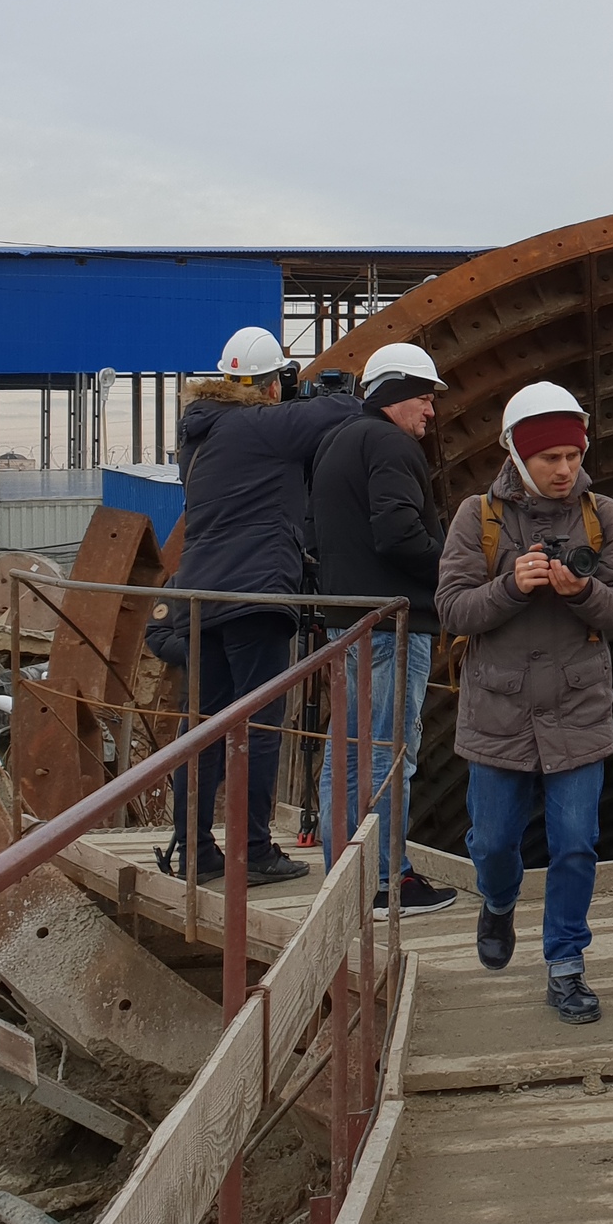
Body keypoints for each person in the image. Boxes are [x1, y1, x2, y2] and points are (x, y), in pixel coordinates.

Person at [434, 381, 613, 1024]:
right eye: (550, 457)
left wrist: (583, 592)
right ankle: (498, 903)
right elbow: (452, 609)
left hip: (577, 707)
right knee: (495, 842)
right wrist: (510, 586)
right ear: (519, 455)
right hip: (498, 710)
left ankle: (566, 965)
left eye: (574, 456)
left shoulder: (602, 515)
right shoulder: (478, 517)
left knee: (576, 843)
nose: (565, 469)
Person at [157, 325, 365, 885]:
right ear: (272, 385)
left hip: (200, 596)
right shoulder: (262, 425)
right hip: (254, 594)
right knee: (260, 725)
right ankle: (252, 850)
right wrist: (320, 395)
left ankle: (195, 852)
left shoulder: (198, 434)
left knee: (203, 729)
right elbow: (344, 409)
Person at [308, 341, 456, 916]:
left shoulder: (335, 441)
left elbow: (313, 532)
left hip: (348, 623)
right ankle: (387, 882)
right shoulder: (392, 444)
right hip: (393, 624)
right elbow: (398, 534)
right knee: (390, 756)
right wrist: (453, 571)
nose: (431, 411)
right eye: (424, 397)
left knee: (346, 755)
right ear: (395, 393)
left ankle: (345, 879)